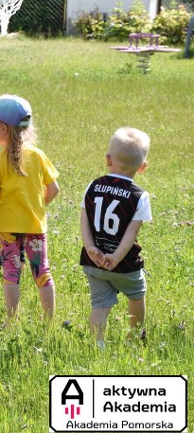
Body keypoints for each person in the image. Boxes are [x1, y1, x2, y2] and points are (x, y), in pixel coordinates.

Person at [0, 94, 59, 322]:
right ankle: (49, 320)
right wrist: (37, 205)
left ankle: (12, 320)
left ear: (2, 128)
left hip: (6, 226)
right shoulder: (38, 156)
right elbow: (53, 189)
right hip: (35, 224)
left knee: (11, 274)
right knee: (42, 271)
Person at [80, 127, 151, 348]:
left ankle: (97, 345)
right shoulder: (139, 196)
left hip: (94, 259)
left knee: (99, 305)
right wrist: (116, 257)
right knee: (136, 296)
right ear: (142, 167)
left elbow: (84, 221)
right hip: (124, 264)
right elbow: (132, 233)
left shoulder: (93, 185)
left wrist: (91, 247)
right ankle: (132, 340)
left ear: (108, 159)